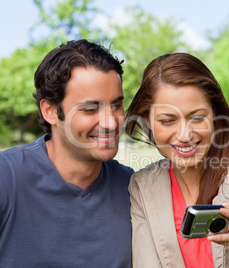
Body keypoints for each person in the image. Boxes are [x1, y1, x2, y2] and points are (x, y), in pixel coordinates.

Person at [125, 53, 229, 267]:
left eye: (197, 118)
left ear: (215, 115)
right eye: (167, 121)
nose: (185, 135)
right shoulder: (142, 186)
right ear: (147, 121)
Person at [0, 39, 134, 267]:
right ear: (50, 111)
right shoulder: (6, 178)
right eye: (91, 109)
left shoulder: (132, 187)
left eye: (116, 105)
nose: (111, 122)